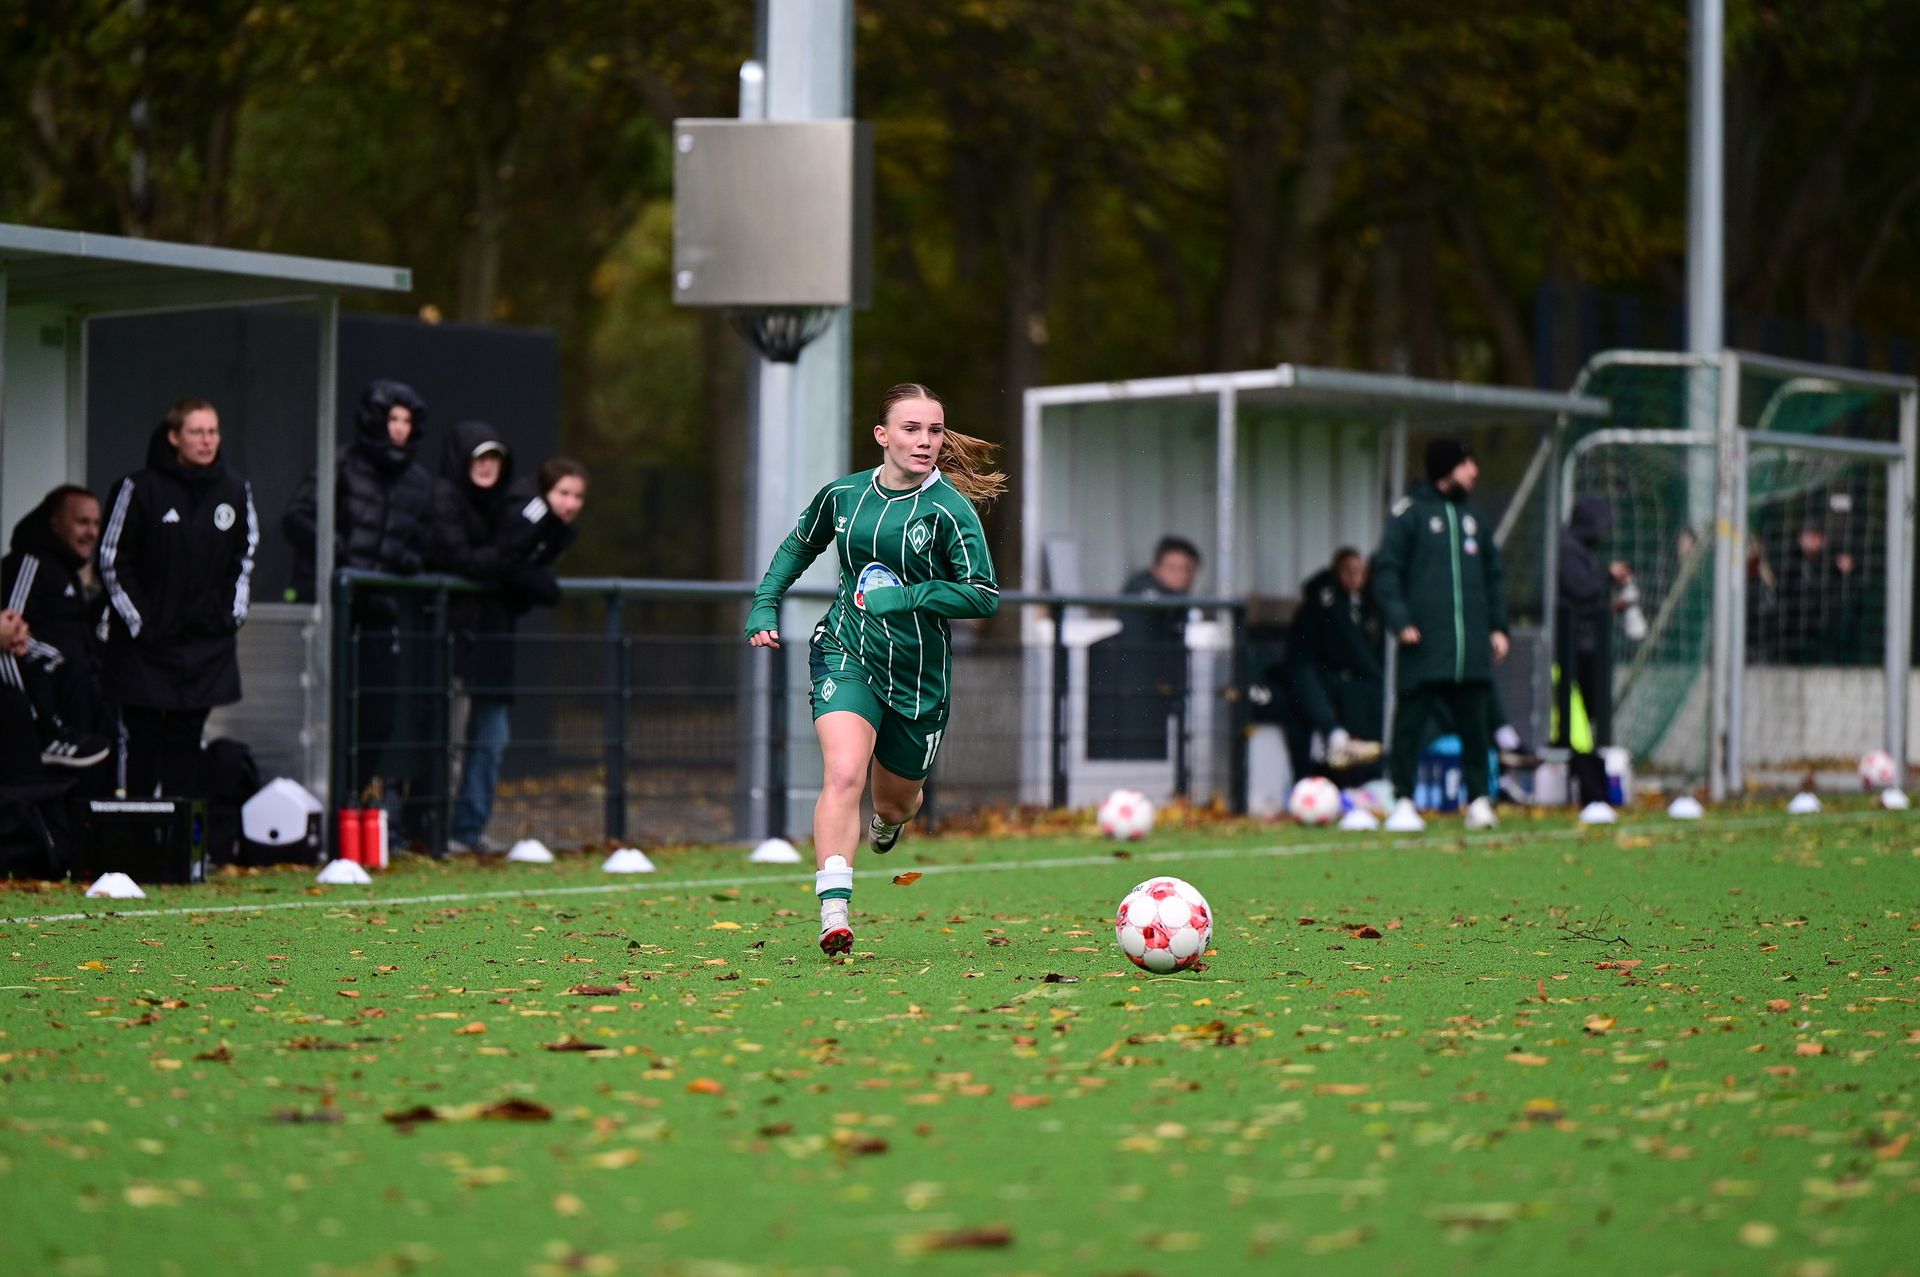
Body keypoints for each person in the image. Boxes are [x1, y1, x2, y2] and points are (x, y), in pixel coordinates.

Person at [745, 383, 1002, 956]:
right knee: (842, 774)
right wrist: (766, 602)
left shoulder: (950, 510)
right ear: (882, 435)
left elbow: (984, 597)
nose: (926, 441)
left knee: (895, 803)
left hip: (918, 677)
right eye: (911, 429)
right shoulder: (843, 496)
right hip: (846, 650)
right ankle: (834, 910)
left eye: (935, 430)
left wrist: (909, 598)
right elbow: (797, 545)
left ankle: (890, 824)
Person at [282, 380, 437, 833]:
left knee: (377, 714)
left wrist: (407, 561)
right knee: (322, 710)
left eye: (407, 421)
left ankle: (351, 800)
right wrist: (342, 552)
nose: (400, 429)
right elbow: (297, 518)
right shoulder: (341, 464)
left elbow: (429, 545)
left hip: (379, 615)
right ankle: (314, 810)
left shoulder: (420, 483)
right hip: (330, 609)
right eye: (393, 419)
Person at [430, 428, 584, 854]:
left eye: (578, 496)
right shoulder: (522, 511)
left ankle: (465, 829)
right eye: (564, 493)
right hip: (462, 641)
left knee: (490, 738)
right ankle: (434, 829)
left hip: (494, 642)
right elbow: (501, 562)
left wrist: (531, 585)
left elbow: (510, 569)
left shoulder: (548, 525)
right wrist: (537, 584)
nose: (570, 503)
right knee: (453, 738)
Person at [98, 397, 259, 798]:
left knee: (186, 744)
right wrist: (142, 622)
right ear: (174, 437)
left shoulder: (236, 490)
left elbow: (245, 555)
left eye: (213, 432)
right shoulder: (138, 489)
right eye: (196, 432)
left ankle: (179, 847)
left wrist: (230, 615)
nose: (207, 441)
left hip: (206, 645)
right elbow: (112, 561)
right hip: (145, 648)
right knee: (143, 742)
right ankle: (134, 845)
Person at [1372, 437, 1509, 832]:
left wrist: (1499, 627)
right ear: (1448, 467)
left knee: (1475, 729)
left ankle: (1481, 800)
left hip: (1471, 653)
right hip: (1424, 646)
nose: (1475, 471)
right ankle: (1403, 801)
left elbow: (1493, 579)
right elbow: (1387, 573)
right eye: (1468, 463)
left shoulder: (1475, 520)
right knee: (1410, 726)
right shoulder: (1409, 514)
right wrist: (1401, 620)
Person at [3, 486, 113, 766]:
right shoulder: (30, 562)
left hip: (76, 701)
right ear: (55, 524)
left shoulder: (69, 574)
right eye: (82, 522)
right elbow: (12, 630)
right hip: (40, 702)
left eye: (96, 524)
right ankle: (48, 735)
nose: (91, 532)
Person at [1088, 535, 1201, 760]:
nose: (1179, 575)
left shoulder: (1180, 606)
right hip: (1129, 702)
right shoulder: (1141, 590)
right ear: (1156, 568)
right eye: (1172, 567)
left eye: (1187, 569)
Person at [1274, 548, 1384, 779]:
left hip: (1333, 685)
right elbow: (1348, 649)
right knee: (1299, 710)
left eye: (1360, 572)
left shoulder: (1366, 608)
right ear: (1336, 572)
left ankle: (1348, 757)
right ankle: (1333, 743)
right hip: (1305, 679)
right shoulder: (1326, 602)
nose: (1354, 578)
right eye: (1348, 571)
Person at [1555, 495, 1630, 807]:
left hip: (1584, 650)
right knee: (1577, 726)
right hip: (1570, 654)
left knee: (1586, 725)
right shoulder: (1569, 550)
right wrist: (1608, 577)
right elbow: (1580, 589)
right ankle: (1591, 792)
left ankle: (1592, 790)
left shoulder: (1579, 550)